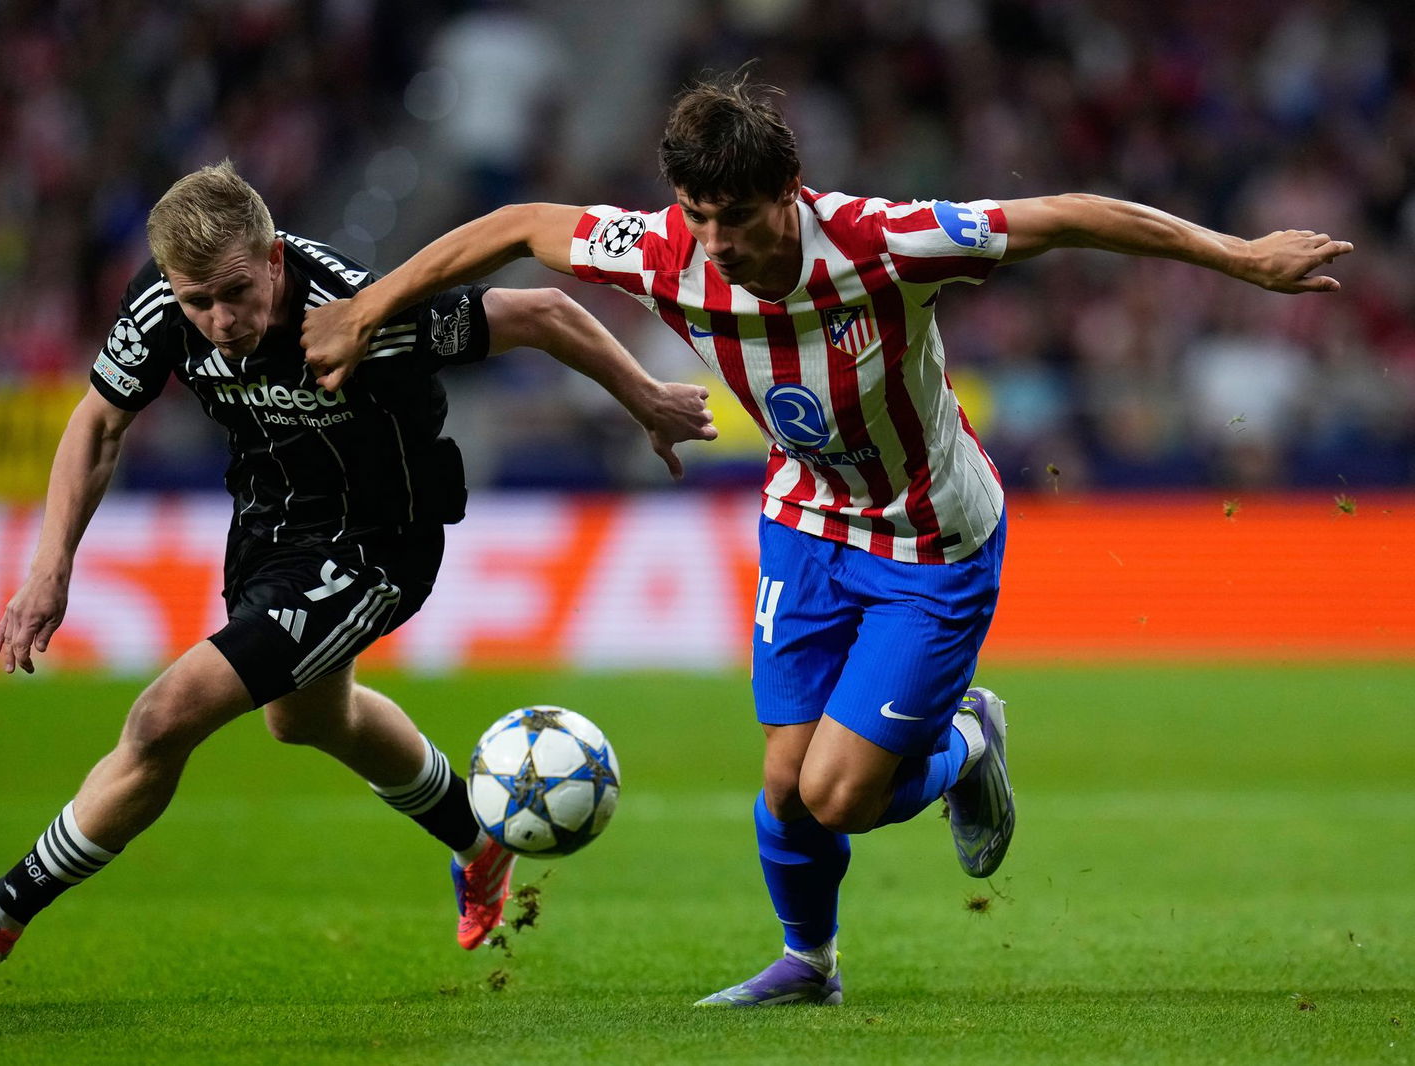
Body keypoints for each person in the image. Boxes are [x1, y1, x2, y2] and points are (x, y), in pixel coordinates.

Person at [298, 73, 1353, 1007]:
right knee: (784, 787)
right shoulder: (666, 250)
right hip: (804, 523)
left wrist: (1237, 255)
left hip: (930, 539)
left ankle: (969, 740)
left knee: (839, 793)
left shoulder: (882, 243)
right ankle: (809, 962)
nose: (714, 241)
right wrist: (368, 306)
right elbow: (520, 225)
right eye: (697, 215)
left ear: (789, 190)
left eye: (737, 216)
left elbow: (1068, 216)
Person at [0, 160, 716, 977]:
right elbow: (100, 422)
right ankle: (479, 845)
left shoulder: (359, 313)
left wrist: (648, 398)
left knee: (163, 718)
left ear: (274, 263)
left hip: (376, 540)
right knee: (309, 720)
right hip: (268, 524)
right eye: (198, 301)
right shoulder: (161, 305)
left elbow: (538, 310)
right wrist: (51, 565)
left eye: (235, 294)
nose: (218, 320)